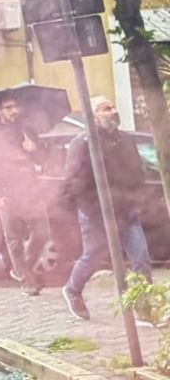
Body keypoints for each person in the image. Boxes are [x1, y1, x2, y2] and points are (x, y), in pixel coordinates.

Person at [61, 97, 154, 320]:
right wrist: (93, 210)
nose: (112, 112)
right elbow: (73, 182)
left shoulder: (125, 140)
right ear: (93, 116)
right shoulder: (82, 143)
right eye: (106, 109)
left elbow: (137, 173)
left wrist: (137, 201)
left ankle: (143, 308)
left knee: (140, 255)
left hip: (127, 210)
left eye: (113, 107)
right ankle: (73, 289)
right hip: (96, 212)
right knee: (94, 255)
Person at [0, 93, 48, 293]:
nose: (14, 111)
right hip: (5, 192)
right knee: (13, 238)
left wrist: (34, 150)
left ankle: (23, 267)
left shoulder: (26, 131)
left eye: (16, 106)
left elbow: (42, 160)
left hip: (29, 190)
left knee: (42, 231)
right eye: (9, 107)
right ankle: (25, 278)